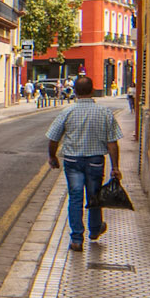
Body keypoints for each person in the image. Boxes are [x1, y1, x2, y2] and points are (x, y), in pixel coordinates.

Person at [47, 72, 124, 251]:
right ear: (92, 90)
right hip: (96, 161)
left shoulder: (67, 112)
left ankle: (76, 239)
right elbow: (112, 142)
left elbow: (53, 138)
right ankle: (95, 229)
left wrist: (52, 157)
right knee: (94, 196)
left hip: (72, 161)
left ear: (75, 91)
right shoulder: (104, 112)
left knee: (75, 197)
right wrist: (115, 167)